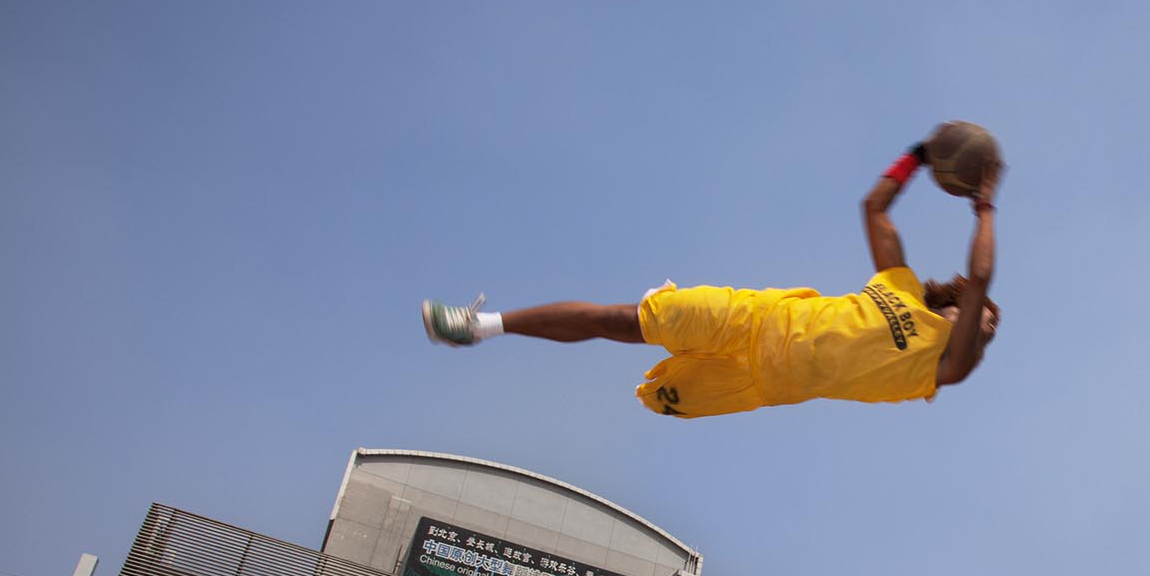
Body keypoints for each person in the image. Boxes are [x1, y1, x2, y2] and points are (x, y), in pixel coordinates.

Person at [420, 129, 1001, 419]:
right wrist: (919, 155)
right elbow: (874, 208)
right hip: (757, 317)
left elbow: (982, 279)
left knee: (655, 399)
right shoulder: (900, 285)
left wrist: (984, 209)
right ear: (951, 301)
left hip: (760, 383)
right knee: (623, 321)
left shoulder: (944, 367)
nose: (987, 326)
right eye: (985, 317)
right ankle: (481, 326)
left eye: (989, 328)